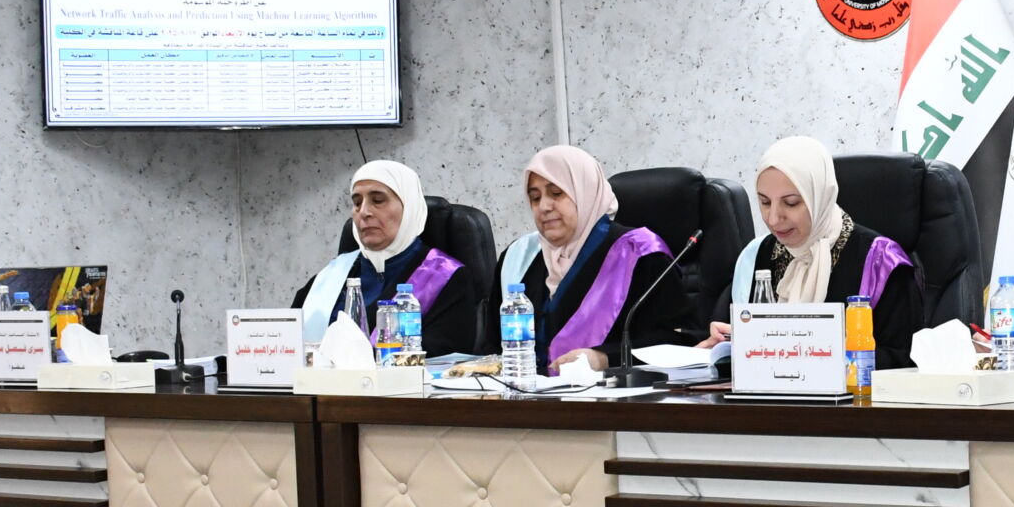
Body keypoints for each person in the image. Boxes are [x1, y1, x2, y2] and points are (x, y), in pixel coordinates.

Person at [697, 137, 922, 367]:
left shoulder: (881, 262)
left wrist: (808, 354)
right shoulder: (756, 255)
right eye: (765, 202)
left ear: (820, 197)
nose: (773, 219)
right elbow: (749, 349)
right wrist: (730, 343)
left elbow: (903, 361)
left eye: (791, 203)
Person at [498, 146, 690, 376]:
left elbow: (679, 341)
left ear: (585, 192)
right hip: (527, 394)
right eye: (535, 198)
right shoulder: (520, 258)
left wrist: (604, 358)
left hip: (613, 394)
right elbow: (491, 348)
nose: (544, 207)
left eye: (556, 193)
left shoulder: (640, 253)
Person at [292, 160, 490, 357]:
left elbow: (443, 357)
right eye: (357, 203)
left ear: (409, 207)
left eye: (378, 200)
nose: (364, 212)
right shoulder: (331, 276)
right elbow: (286, 342)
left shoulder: (447, 278)